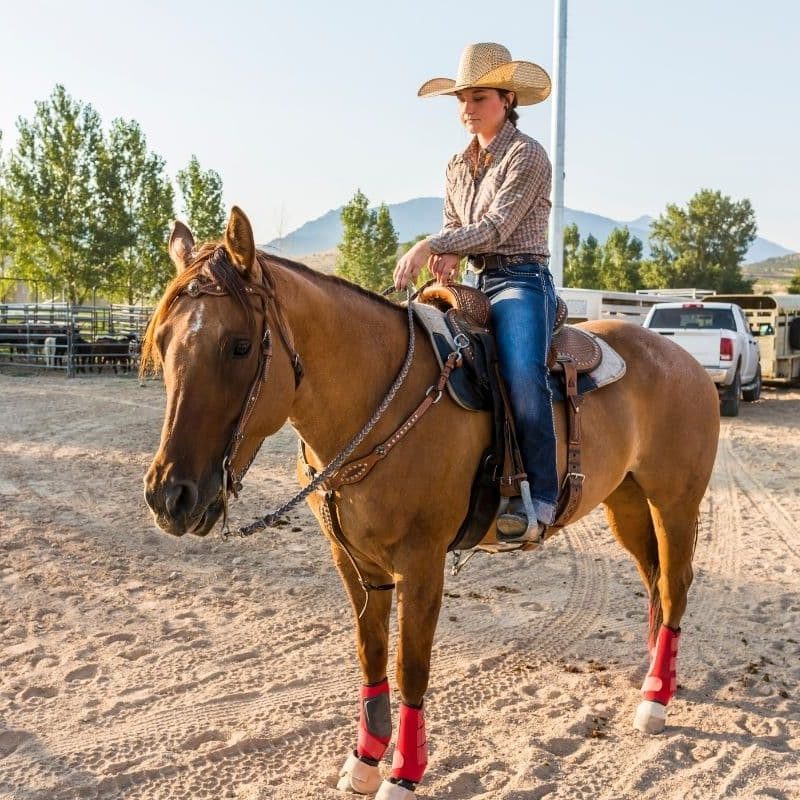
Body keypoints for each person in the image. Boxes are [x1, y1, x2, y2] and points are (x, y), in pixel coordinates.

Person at [393, 42, 557, 542]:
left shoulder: (527, 155)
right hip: (478, 280)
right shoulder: (456, 166)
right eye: (461, 99)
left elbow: (497, 226)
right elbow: (455, 223)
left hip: (522, 280)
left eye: (478, 98)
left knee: (522, 371)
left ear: (507, 99)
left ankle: (542, 495)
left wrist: (433, 244)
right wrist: (446, 255)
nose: (467, 108)